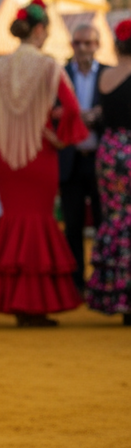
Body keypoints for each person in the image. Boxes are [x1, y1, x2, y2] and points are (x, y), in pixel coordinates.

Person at [0, 0, 88, 327]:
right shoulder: (49, 66)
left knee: (13, 221)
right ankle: (35, 305)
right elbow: (73, 109)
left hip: (8, 157)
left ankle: (15, 302)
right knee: (39, 223)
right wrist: (59, 137)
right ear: (39, 29)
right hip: (39, 155)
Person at [85, 18, 131, 325]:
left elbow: (99, 115)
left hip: (109, 149)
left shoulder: (105, 76)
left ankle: (115, 293)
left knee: (116, 218)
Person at [59, 23, 108, 292]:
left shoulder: (109, 75)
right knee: (73, 223)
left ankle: (102, 279)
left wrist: (95, 116)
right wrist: (76, 118)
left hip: (101, 158)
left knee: (103, 221)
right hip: (71, 158)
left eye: (88, 43)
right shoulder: (62, 73)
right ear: (72, 46)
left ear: (97, 45)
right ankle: (76, 281)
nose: (83, 48)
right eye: (78, 43)